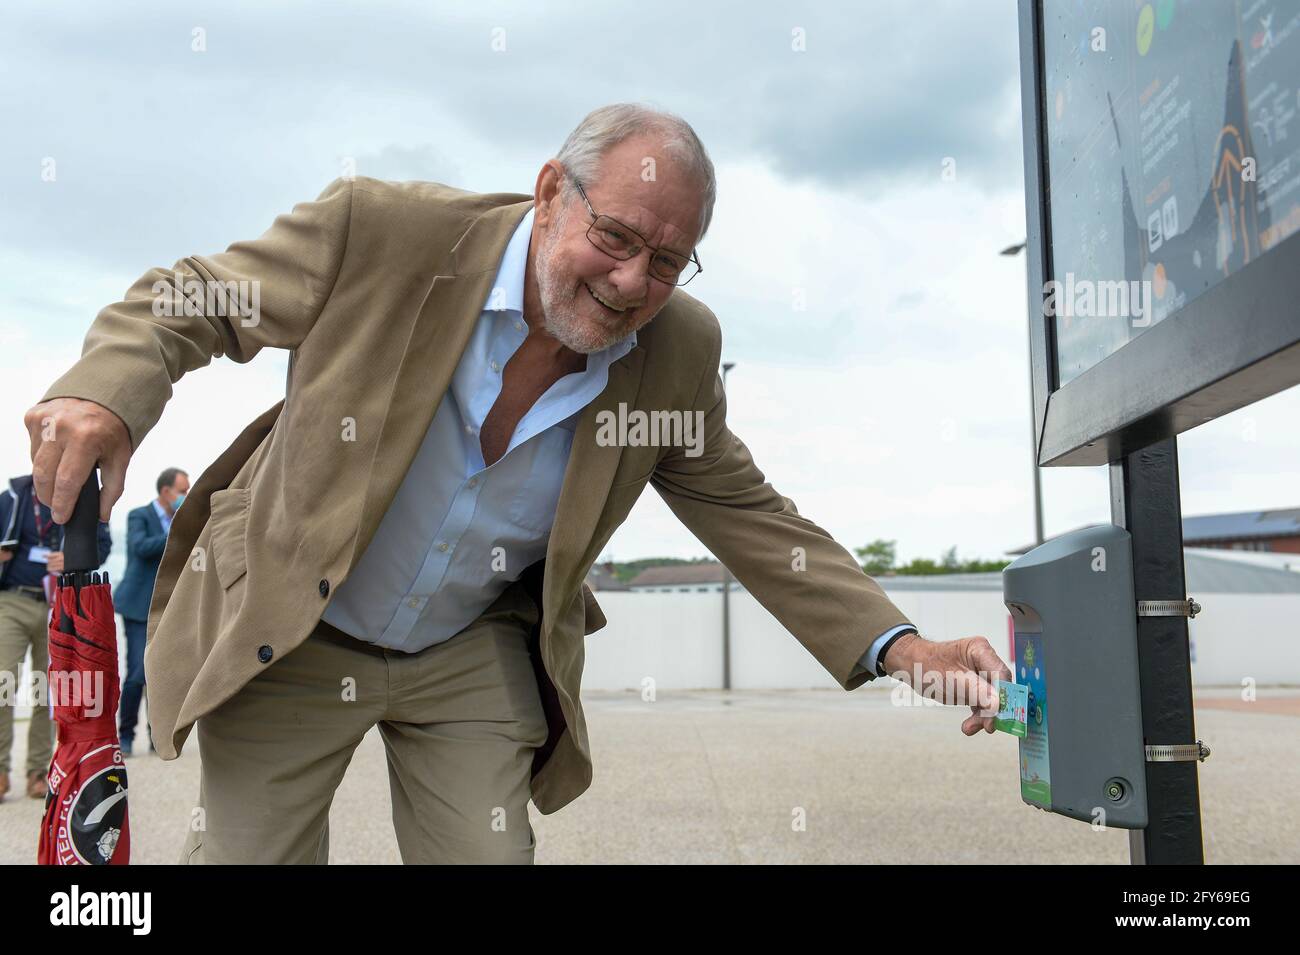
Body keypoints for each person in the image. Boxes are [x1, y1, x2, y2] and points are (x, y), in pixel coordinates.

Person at [24, 103, 1010, 863]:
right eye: (616, 239)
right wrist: (106, 392)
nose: (631, 283)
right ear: (549, 193)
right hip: (296, 624)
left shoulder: (675, 350)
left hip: (470, 647)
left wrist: (902, 644)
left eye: (667, 262)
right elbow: (191, 300)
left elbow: (748, 510)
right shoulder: (382, 233)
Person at [0, 474, 111, 801]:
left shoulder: (81, 494)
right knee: (4, 681)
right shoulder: (11, 497)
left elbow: (103, 545)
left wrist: (75, 558)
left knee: (47, 689)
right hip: (12, 601)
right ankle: (0, 768)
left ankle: (37, 771)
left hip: (59, 601)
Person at [114, 467, 189, 756]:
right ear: (166, 491)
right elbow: (141, 547)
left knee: (160, 674)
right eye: (182, 491)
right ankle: (126, 736)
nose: (186, 496)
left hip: (168, 608)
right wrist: (175, 531)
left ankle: (156, 734)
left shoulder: (181, 520)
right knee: (136, 672)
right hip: (136, 606)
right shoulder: (139, 516)